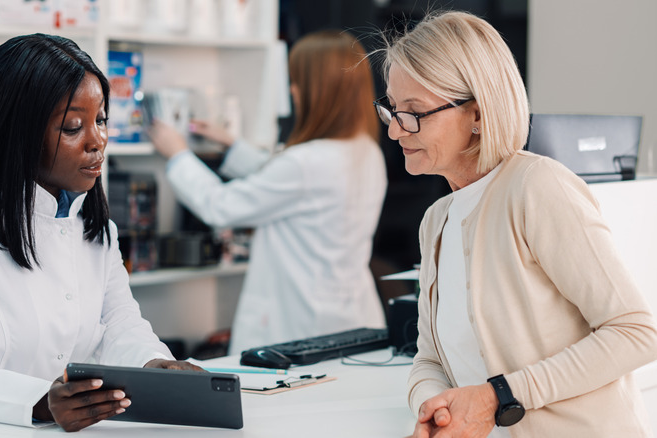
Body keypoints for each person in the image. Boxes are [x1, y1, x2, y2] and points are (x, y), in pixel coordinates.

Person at [0, 34, 200, 432]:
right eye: (72, 127)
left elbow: (119, 324)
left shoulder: (96, 227)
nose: (97, 141)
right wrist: (41, 402)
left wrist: (154, 364)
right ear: (17, 132)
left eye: (100, 121)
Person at [376, 11, 657, 438]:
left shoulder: (537, 187)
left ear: (477, 114)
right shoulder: (436, 221)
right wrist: (436, 411)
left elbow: (636, 331)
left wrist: (497, 396)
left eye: (414, 113)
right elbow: (428, 359)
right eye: (392, 110)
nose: (396, 131)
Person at [148, 29, 387, 354]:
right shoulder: (365, 151)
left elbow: (220, 206)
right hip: (352, 320)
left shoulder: (306, 163)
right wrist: (233, 145)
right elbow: (288, 181)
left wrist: (177, 155)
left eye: (297, 81)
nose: (292, 89)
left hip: (299, 327)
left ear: (319, 92)